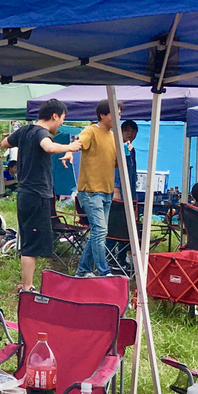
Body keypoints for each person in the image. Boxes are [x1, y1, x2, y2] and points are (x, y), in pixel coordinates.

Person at [3, 99, 82, 292]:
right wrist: (71, 147)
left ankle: (27, 283)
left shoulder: (25, 130)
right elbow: (49, 148)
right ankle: (27, 287)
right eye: (62, 119)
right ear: (55, 116)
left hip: (24, 193)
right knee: (31, 245)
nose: (61, 123)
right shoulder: (41, 133)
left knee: (29, 241)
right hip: (37, 194)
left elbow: (5, 143)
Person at [73, 99, 119, 278]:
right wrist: (69, 152)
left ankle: (83, 270)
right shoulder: (91, 131)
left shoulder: (113, 136)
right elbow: (78, 142)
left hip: (107, 191)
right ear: (103, 114)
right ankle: (104, 271)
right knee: (100, 232)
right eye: (115, 113)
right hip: (91, 191)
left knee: (98, 233)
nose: (118, 117)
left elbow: (115, 163)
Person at [113, 120, 139, 200]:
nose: (130, 133)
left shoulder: (132, 150)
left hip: (129, 191)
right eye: (127, 130)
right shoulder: (116, 147)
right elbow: (115, 169)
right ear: (121, 132)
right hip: (118, 191)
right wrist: (116, 189)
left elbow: (133, 172)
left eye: (133, 131)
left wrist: (133, 192)